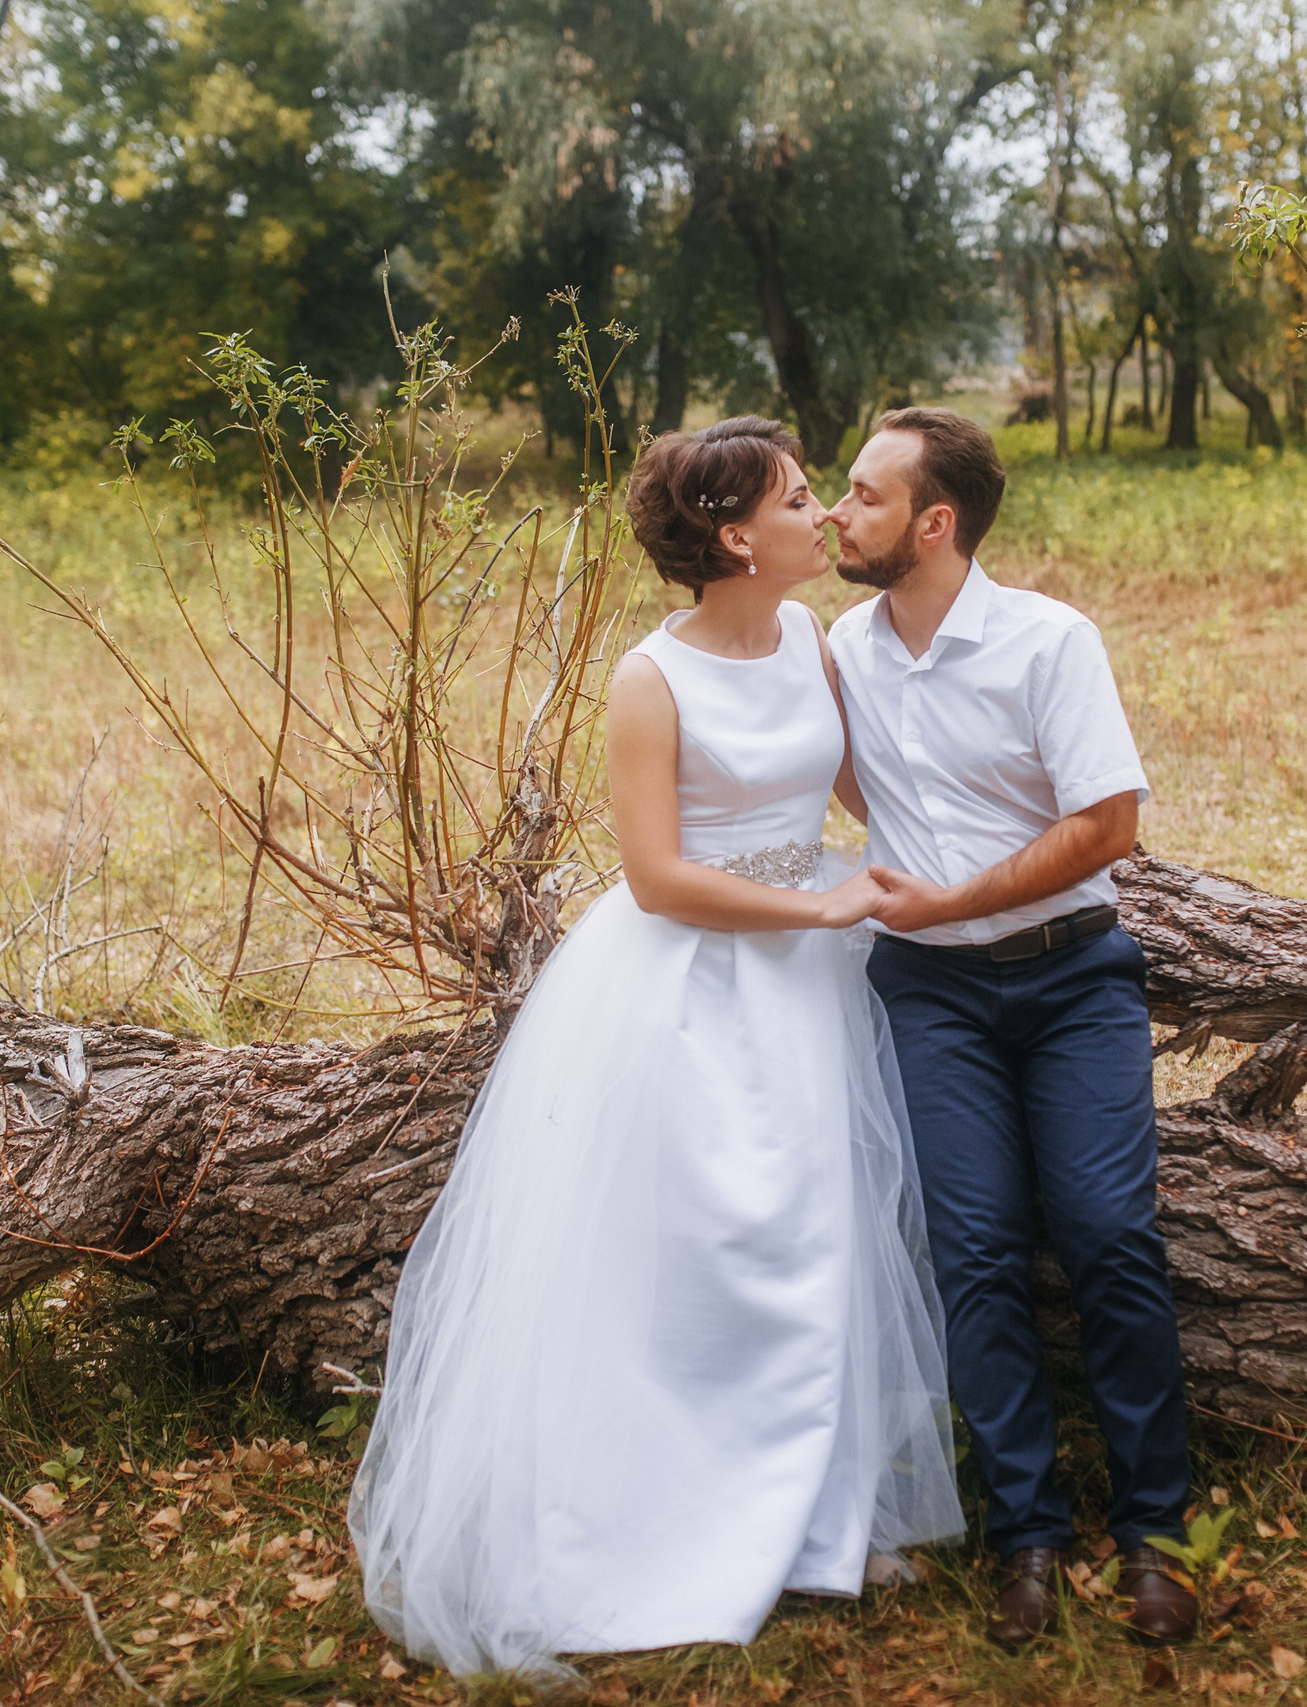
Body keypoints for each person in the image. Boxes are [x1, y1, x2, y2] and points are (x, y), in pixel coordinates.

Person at [345, 417, 963, 1681]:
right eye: (802, 500)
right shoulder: (651, 678)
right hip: (687, 985)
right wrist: (824, 906)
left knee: (809, 1234)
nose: (825, 517)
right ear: (738, 537)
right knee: (691, 1250)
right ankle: (659, 1516)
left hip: (805, 990)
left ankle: (803, 1511)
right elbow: (661, 877)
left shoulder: (809, 637)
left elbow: (857, 790)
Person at [829, 407, 1196, 1648]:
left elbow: (1107, 828)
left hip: (1070, 981)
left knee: (1105, 1233)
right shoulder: (842, 644)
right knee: (972, 1249)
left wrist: (953, 894)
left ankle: (1156, 1533)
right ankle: (1026, 1533)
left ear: (935, 524)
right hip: (928, 995)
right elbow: (836, 777)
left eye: (865, 496)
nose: (839, 510)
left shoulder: (1049, 640)